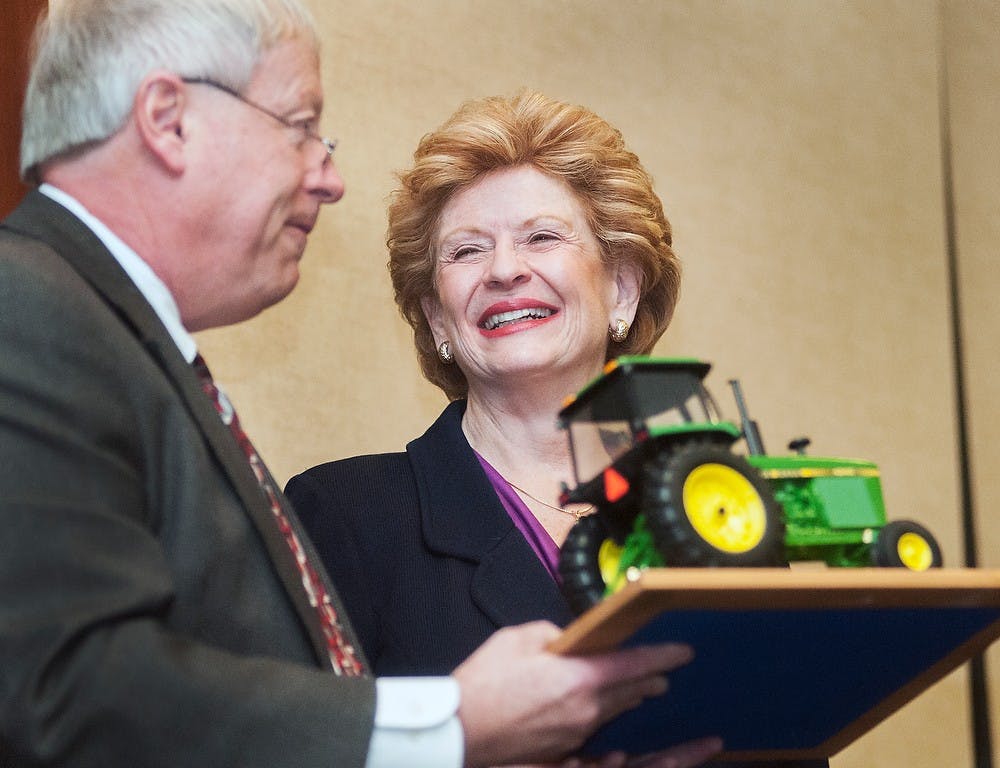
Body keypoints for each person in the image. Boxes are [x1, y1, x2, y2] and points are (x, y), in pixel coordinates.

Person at [0, 3, 725, 768]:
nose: (330, 177)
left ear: (623, 288)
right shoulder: (31, 306)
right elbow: (61, 690)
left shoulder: (714, 492)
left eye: (543, 236)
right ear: (169, 121)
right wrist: (452, 726)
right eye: (301, 126)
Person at [285, 90, 827, 768]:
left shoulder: (720, 509)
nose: (505, 270)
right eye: (467, 251)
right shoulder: (345, 516)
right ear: (437, 320)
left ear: (623, 288)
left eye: (542, 237)